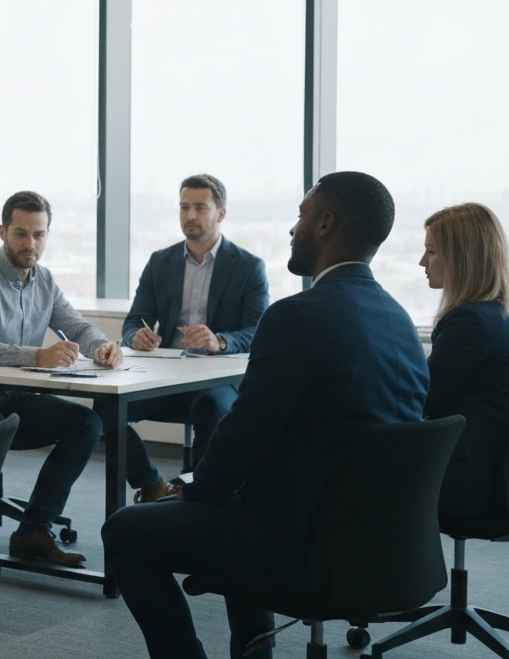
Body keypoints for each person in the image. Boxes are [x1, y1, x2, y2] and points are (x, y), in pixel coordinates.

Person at [102, 171, 428, 659]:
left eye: (301, 215)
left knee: (125, 529)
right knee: (233, 502)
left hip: (298, 543)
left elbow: (241, 442)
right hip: (380, 544)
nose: (292, 229)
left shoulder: (298, 316)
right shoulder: (399, 319)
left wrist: (191, 490)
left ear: (326, 224)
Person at [0, 190, 121, 567]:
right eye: (21, 234)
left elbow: (75, 324)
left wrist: (103, 346)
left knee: (86, 423)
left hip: (22, 394)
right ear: (2, 232)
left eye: (39, 235)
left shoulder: (44, 280)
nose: (31, 244)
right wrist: (37, 355)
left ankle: (32, 531)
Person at [118, 174, 269, 500]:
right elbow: (132, 322)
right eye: (184, 207)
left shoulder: (248, 266)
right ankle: (151, 484)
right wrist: (136, 337)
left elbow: (257, 331)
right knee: (105, 410)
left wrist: (220, 341)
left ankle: (200, 499)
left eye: (200, 207)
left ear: (221, 213)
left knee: (214, 408)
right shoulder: (160, 262)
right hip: (164, 374)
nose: (190, 215)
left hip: (216, 376)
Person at [420, 202, 509, 519]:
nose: (422, 262)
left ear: (461, 258)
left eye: (431, 252)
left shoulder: (469, 321)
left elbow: (423, 399)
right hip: (492, 472)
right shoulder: (497, 315)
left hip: (469, 482)